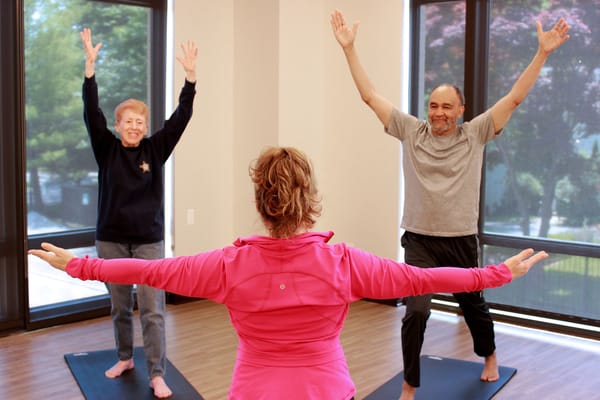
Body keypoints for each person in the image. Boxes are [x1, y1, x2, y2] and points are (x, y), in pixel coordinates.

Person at [30, 146, 548, 400]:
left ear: (261, 202)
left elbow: (152, 270)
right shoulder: (344, 263)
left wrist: (79, 264)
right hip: (327, 388)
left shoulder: (227, 266)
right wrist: (495, 275)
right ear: (309, 200)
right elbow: (424, 279)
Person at [330, 8, 569, 400]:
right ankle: (410, 382)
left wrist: (541, 53)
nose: (438, 113)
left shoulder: (474, 135)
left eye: (446, 107)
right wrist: (349, 49)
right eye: (433, 105)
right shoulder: (410, 131)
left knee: (474, 307)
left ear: (460, 112)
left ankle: (489, 355)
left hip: (460, 241)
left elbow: (515, 97)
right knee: (417, 313)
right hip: (420, 242)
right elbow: (369, 96)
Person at [79, 28, 198, 398]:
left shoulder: (155, 148)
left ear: (145, 127)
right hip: (111, 240)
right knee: (118, 307)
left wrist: (190, 79)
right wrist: (89, 67)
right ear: (118, 126)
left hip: (148, 242)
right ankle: (125, 357)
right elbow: (90, 112)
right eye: (127, 121)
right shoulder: (107, 148)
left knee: (152, 310)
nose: (134, 126)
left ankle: (158, 373)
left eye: (139, 122)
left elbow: (181, 117)